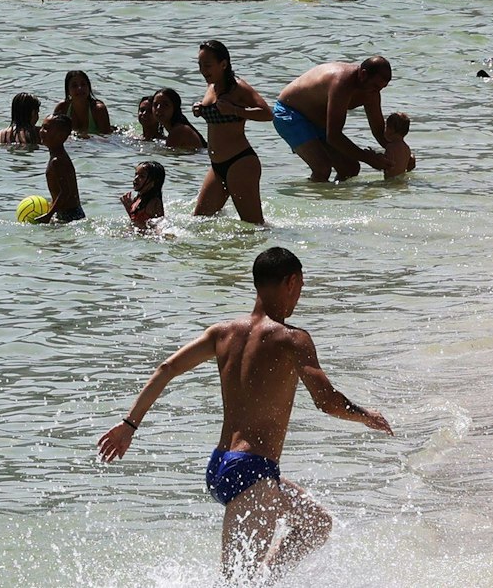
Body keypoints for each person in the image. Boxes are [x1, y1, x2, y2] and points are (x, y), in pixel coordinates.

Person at [95, 247, 392, 578]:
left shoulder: (223, 333)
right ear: (292, 282)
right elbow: (326, 401)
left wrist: (128, 424)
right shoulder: (293, 339)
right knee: (236, 582)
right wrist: (364, 415)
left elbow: (167, 368)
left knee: (315, 523)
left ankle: (266, 579)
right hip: (253, 472)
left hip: (222, 464)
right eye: (302, 286)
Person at [191, 40, 275, 223]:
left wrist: (236, 111)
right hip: (217, 166)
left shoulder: (238, 87)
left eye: (207, 65)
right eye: (200, 65)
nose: (203, 71)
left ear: (223, 64)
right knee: (198, 222)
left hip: (240, 163)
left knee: (254, 226)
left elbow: (268, 114)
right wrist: (200, 109)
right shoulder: (211, 86)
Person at [271, 58, 393, 182]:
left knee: (350, 168)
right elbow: (334, 136)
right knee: (322, 168)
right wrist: (369, 158)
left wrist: (399, 151)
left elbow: (378, 130)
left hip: (318, 120)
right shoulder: (342, 83)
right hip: (290, 112)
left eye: (381, 88)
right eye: (375, 86)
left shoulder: (372, 92)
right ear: (363, 74)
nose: (376, 92)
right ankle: (306, 199)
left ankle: (334, 199)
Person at [35, 115, 85, 222]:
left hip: (69, 215)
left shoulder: (57, 161)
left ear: (61, 136)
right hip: (71, 212)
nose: (41, 131)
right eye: (42, 127)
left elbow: (65, 192)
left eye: (47, 129)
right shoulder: (59, 156)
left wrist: (49, 215)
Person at [53, 70, 113, 137]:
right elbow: (53, 134)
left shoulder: (98, 109)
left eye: (83, 84)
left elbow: (107, 138)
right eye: (74, 86)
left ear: (89, 87)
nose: (80, 88)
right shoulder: (62, 107)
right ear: (68, 90)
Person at [120, 160, 167, 229]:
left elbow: (155, 228)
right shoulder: (138, 198)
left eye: (142, 176)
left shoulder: (154, 202)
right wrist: (129, 209)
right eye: (136, 174)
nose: (136, 178)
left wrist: (130, 210)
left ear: (153, 182)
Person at [379, 113, 416, 179]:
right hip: (402, 179)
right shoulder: (406, 148)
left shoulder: (391, 147)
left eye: (386, 127)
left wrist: (379, 157)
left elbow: (388, 164)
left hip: (391, 180)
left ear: (391, 130)